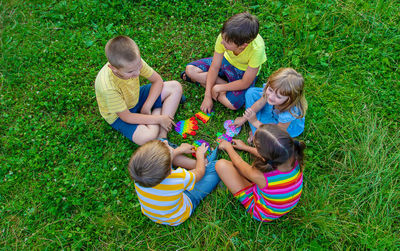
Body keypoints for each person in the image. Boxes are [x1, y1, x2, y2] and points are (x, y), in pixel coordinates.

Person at [95, 35, 182, 145]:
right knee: (147, 137)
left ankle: (162, 135)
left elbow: (157, 81)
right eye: (130, 72)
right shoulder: (108, 87)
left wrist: (147, 106)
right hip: (119, 115)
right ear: (113, 68)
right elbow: (127, 117)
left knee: (175, 87)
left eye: (139, 66)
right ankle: (160, 117)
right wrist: (159, 119)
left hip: (136, 97)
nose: (137, 73)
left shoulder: (134, 62)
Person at [216, 124, 305, 222]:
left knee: (221, 165)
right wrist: (246, 147)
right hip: (286, 203)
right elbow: (272, 154)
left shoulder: (261, 175)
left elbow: (239, 164)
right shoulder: (294, 157)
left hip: (264, 212)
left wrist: (228, 147)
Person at [182, 12, 267, 113]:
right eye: (223, 38)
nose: (222, 42)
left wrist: (219, 87)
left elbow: (245, 82)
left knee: (233, 105)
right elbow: (214, 67)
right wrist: (208, 95)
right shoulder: (226, 36)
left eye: (227, 43)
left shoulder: (257, 49)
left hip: (243, 73)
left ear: (243, 45)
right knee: (190, 70)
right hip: (225, 62)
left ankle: (209, 82)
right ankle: (224, 85)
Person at [128, 139, 220, 226]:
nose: (165, 141)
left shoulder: (140, 176)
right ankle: (206, 162)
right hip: (178, 215)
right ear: (169, 170)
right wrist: (200, 155)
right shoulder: (177, 178)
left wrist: (179, 150)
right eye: (167, 146)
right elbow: (199, 173)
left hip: (154, 214)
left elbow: (162, 161)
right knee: (216, 167)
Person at [233, 68, 307, 143]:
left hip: (281, 127)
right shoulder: (271, 94)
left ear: (290, 100)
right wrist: (243, 118)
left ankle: (256, 131)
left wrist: (255, 121)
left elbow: (277, 132)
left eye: (278, 96)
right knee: (251, 93)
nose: (271, 96)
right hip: (272, 110)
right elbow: (260, 103)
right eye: (270, 90)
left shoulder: (290, 112)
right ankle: (257, 129)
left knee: (269, 136)